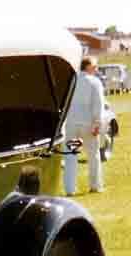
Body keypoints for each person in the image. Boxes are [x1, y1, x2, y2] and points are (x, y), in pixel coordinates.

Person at [64, 56, 105, 196]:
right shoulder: (95, 82)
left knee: (70, 156)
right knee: (93, 156)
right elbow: (98, 105)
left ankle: (70, 189)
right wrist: (97, 123)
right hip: (88, 124)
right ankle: (95, 186)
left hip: (71, 124)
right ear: (88, 67)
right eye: (95, 66)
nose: (97, 69)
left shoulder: (71, 80)